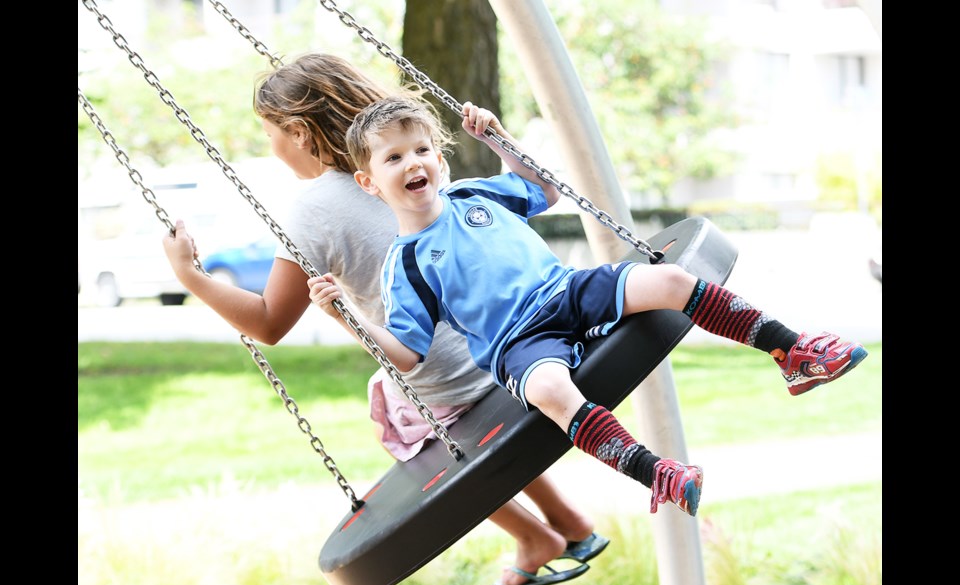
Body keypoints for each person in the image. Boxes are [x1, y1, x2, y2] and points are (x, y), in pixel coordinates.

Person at [162, 53, 608, 585]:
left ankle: (536, 538)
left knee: (419, 430)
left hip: (444, 379)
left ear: (299, 133)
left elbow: (268, 322)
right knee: (467, 421)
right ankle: (572, 523)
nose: (271, 148)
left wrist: (192, 277)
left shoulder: (313, 209)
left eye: (270, 134)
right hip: (512, 346)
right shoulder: (410, 160)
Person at [307, 95, 869, 519]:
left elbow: (544, 192)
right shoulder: (403, 264)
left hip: (567, 290)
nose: (414, 163)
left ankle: (792, 351)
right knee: (552, 392)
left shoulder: (474, 194)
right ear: (369, 182)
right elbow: (406, 353)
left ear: (439, 158)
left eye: (423, 149)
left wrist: (500, 138)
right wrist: (345, 317)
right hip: (515, 345)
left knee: (669, 279)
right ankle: (657, 473)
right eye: (395, 157)